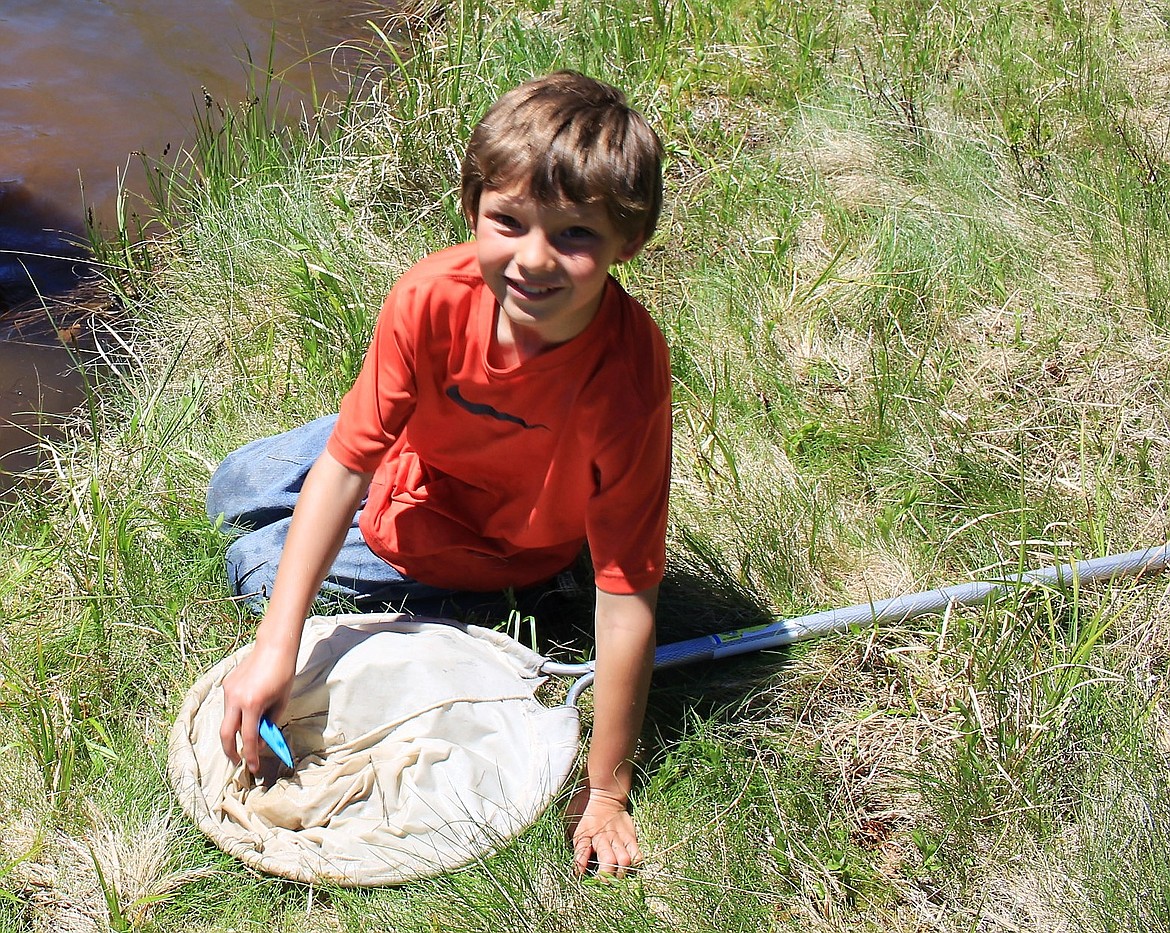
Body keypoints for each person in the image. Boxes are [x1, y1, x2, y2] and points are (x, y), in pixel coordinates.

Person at [206, 71, 671, 878]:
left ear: (628, 240)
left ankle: (500, 599)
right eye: (509, 221)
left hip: (488, 536)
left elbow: (627, 594)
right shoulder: (429, 295)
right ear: (473, 208)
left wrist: (607, 787)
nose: (534, 259)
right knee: (233, 485)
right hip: (423, 456)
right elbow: (352, 460)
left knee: (252, 567)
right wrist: (276, 649)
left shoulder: (626, 377)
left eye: (574, 235)